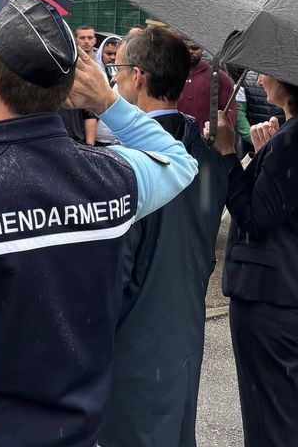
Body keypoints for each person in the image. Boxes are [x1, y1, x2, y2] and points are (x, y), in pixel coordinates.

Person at [0, 0, 198, 447]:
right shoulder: (113, 174)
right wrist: (109, 102)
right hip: (81, 430)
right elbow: (178, 161)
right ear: (67, 90)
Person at [97, 27, 228, 447]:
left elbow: (116, 269)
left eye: (117, 68)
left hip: (135, 332)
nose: (112, 76)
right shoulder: (204, 154)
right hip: (185, 323)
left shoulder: (131, 163)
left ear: (138, 76)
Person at [211, 75, 298, 447]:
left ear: (293, 83)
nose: (260, 78)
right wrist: (267, 155)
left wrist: (228, 154)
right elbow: (295, 198)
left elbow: (256, 218)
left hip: (273, 298)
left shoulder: (294, 140)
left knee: (270, 422)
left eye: (268, 73)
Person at [175, 36, 236, 136]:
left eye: (195, 48)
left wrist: (221, 136)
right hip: (172, 138)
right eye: (186, 48)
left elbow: (229, 112)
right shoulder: (168, 73)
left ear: (202, 49)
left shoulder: (218, 76)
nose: (190, 52)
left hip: (206, 140)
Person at [94, 35, 123, 146]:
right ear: (101, 53)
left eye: (116, 54)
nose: (112, 57)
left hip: (118, 139)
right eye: (108, 53)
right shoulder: (95, 73)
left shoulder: (128, 77)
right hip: (95, 136)